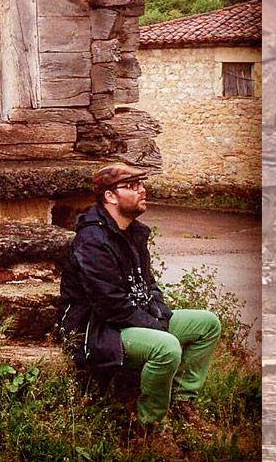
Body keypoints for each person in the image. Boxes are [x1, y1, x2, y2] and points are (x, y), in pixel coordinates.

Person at [58, 162, 222, 440]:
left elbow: (148, 285)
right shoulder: (92, 240)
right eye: (133, 186)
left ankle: (182, 402)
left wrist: (159, 313)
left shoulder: (135, 233)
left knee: (207, 324)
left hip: (131, 319)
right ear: (110, 196)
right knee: (166, 347)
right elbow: (110, 306)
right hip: (95, 329)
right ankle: (146, 425)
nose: (142, 190)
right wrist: (157, 326)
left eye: (141, 184)